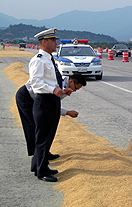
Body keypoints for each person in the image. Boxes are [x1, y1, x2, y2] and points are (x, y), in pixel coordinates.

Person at [20, 28, 70, 182]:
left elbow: (51, 80)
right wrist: (53, 90)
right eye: (53, 40)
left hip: (52, 99)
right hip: (44, 101)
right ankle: (41, 172)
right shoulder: (39, 60)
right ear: (44, 42)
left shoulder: (49, 59)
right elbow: (36, 83)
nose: (56, 43)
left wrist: (61, 90)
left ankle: (40, 165)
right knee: (42, 138)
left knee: (48, 136)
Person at [16, 73, 87, 159]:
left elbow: (53, 104)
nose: (75, 91)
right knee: (32, 126)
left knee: (44, 126)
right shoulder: (58, 83)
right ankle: (37, 156)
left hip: (38, 100)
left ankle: (43, 152)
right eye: (76, 88)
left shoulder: (65, 88)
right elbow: (50, 105)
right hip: (26, 97)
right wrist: (67, 112)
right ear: (71, 81)